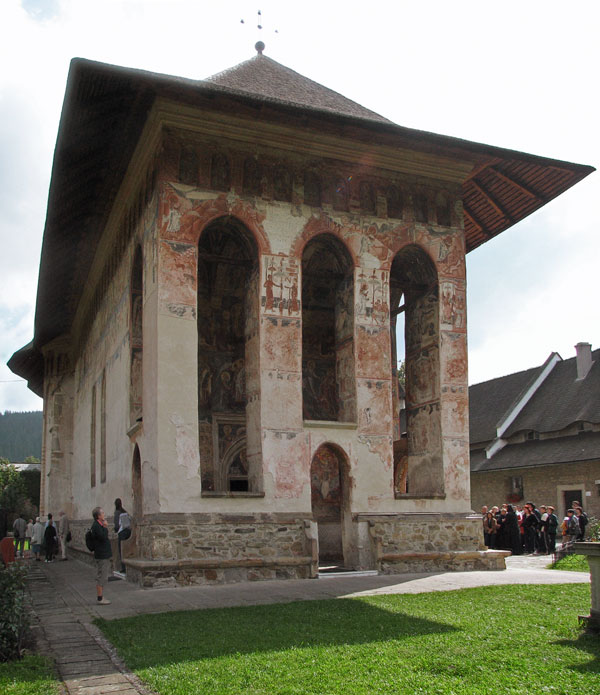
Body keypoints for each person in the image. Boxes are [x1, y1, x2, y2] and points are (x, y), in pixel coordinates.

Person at [91, 507, 112, 605]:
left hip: (103, 553)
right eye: (102, 513)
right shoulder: (97, 526)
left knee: (103, 575)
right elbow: (103, 538)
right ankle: (100, 598)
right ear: (98, 516)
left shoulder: (98, 525)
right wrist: (105, 527)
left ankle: (101, 596)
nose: (104, 514)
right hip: (101, 555)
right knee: (102, 576)